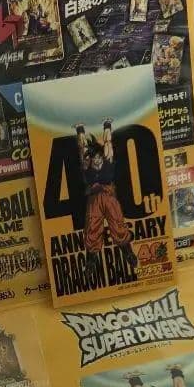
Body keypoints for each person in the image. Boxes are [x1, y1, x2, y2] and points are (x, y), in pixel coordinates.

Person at [76, 118, 138, 280]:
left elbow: (108, 142)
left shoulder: (108, 160)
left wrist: (107, 126)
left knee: (117, 224)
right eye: (94, 158)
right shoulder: (87, 164)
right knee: (92, 228)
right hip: (94, 199)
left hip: (109, 196)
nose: (96, 160)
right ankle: (91, 260)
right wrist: (80, 130)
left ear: (102, 156)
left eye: (99, 157)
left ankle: (128, 252)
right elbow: (82, 147)